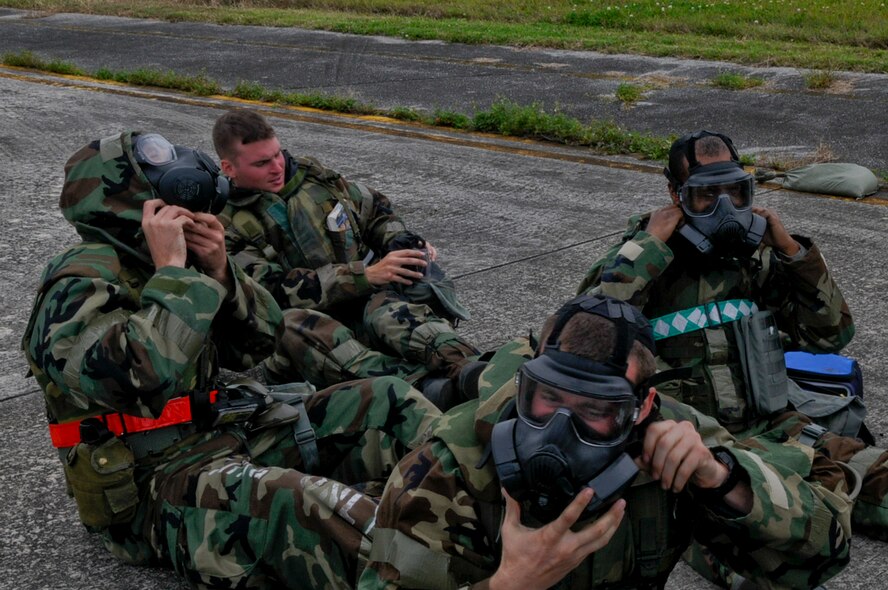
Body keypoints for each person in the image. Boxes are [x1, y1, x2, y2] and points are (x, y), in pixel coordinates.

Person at [21, 130, 444, 588]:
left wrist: (220, 270)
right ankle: (449, 569)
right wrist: (173, 276)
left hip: (225, 437)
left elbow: (258, 344)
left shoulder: (169, 261)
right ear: (128, 200)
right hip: (150, 490)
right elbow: (137, 383)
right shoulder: (77, 282)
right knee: (305, 501)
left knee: (386, 400)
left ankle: (474, 498)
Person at [358, 294, 853, 590]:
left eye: (596, 410)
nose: (557, 430)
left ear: (642, 407)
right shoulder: (447, 468)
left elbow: (825, 555)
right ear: (524, 383)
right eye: (546, 398)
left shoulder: (672, 447)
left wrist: (723, 480)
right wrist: (512, 584)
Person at [577, 130, 888, 575]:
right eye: (705, 196)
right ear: (675, 193)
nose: (725, 208)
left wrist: (793, 252)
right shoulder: (641, 258)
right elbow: (584, 339)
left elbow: (831, 337)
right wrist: (648, 249)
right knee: (780, 562)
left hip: (778, 427)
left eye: (736, 192)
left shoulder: (756, 257)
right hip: (702, 452)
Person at [212, 109, 481, 408]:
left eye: (277, 154)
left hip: (364, 309)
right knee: (289, 324)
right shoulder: (223, 224)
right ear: (229, 168)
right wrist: (364, 276)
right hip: (308, 339)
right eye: (261, 163)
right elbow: (270, 290)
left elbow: (376, 211)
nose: (277, 167)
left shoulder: (315, 180)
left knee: (389, 309)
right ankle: (423, 388)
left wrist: (400, 244)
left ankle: (473, 370)